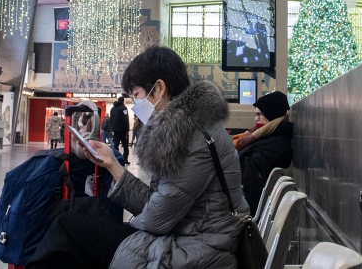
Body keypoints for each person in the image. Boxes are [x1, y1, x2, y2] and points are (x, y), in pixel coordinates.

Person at [26, 46, 247, 269]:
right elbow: (159, 203)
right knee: (71, 231)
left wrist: (129, 225)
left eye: (137, 94)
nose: (135, 101)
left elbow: (157, 218)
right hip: (188, 237)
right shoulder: (192, 128)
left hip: (195, 251)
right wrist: (112, 163)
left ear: (160, 88)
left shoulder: (193, 137)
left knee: (66, 230)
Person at [233, 91, 293, 212]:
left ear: (271, 114)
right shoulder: (267, 137)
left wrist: (230, 157)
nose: (256, 118)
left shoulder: (277, 143)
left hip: (250, 204)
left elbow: (251, 172)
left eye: (259, 114)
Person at [108, 95, 130, 164]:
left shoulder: (112, 109)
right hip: (123, 130)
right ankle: (125, 159)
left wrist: (112, 128)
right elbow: (125, 119)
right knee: (125, 145)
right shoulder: (124, 108)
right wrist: (127, 129)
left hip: (115, 130)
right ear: (123, 101)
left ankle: (116, 158)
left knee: (115, 144)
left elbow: (110, 119)